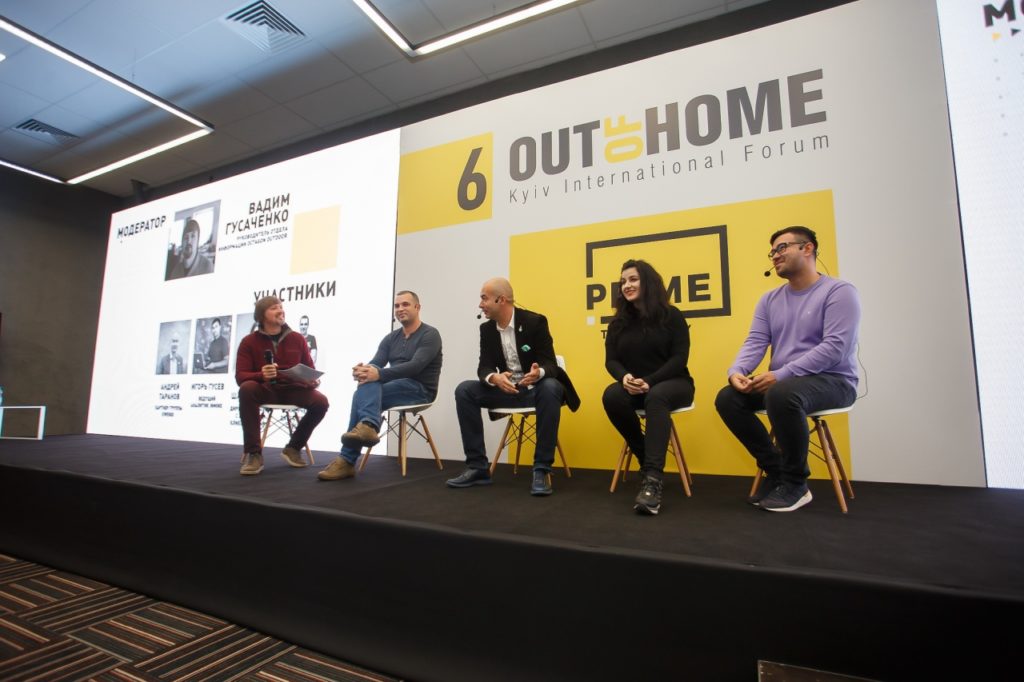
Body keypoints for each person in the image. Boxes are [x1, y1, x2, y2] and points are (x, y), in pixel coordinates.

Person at [715, 225, 860, 512]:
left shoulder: (840, 292)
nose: (775, 256)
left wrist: (780, 375)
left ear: (808, 248)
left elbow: (835, 348)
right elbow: (756, 341)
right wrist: (736, 371)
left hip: (834, 381)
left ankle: (796, 485)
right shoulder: (769, 299)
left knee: (781, 394)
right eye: (772, 252)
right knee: (728, 398)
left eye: (782, 248)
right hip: (785, 384)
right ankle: (777, 471)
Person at [447, 277, 580, 496]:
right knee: (464, 390)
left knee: (551, 387)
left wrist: (538, 373)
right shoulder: (487, 329)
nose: (480, 304)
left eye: (484, 298)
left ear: (501, 300)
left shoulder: (535, 322)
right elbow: (484, 366)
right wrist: (494, 378)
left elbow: (550, 364)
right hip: (506, 390)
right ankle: (477, 468)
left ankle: (541, 469)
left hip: (534, 390)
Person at [318, 291, 443, 481]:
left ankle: (349, 457)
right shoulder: (390, 338)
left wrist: (377, 374)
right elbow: (376, 363)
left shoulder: (430, 334)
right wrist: (363, 371)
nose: (400, 309)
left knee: (364, 391)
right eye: (397, 305)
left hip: (420, 389)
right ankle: (367, 426)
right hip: (395, 386)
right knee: (367, 382)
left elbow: (415, 366)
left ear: (417, 307)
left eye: (405, 304)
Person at [602, 259, 695, 516]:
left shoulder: (672, 316)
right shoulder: (618, 323)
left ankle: (652, 480)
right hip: (636, 385)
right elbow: (611, 361)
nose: (627, 285)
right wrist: (624, 378)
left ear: (648, 282)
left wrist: (650, 381)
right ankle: (644, 457)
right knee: (612, 396)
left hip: (673, 383)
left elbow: (679, 359)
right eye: (623, 282)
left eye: (633, 279)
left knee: (656, 396)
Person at [235, 296, 329, 475]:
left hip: (293, 389)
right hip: (265, 389)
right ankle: (254, 454)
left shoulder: (297, 338)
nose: (280, 310)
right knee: (246, 389)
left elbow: (309, 368)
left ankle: (293, 448)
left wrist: (312, 380)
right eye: (274, 308)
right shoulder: (249, 341)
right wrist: (261, 375)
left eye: (280, 307)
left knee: (321, 402)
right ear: (261, 316)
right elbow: (241, 376)